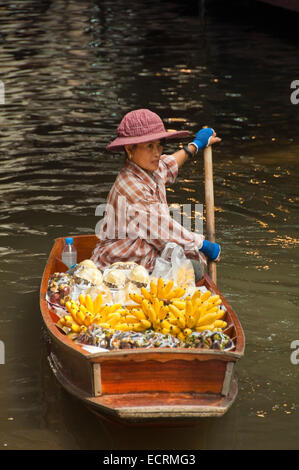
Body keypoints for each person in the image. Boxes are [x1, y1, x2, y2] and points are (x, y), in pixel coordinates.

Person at [91, 108, 221, 280]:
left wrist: (195, 145)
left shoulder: (150, 168)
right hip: (121, 264)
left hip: (145, 252)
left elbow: (169, 164)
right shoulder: (131, 186)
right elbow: (163, 228)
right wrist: (203, 245)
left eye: (159, 145)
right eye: (150, 146)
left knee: (189, 261)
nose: (157, 152)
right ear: (130, 149)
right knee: (195, 268)